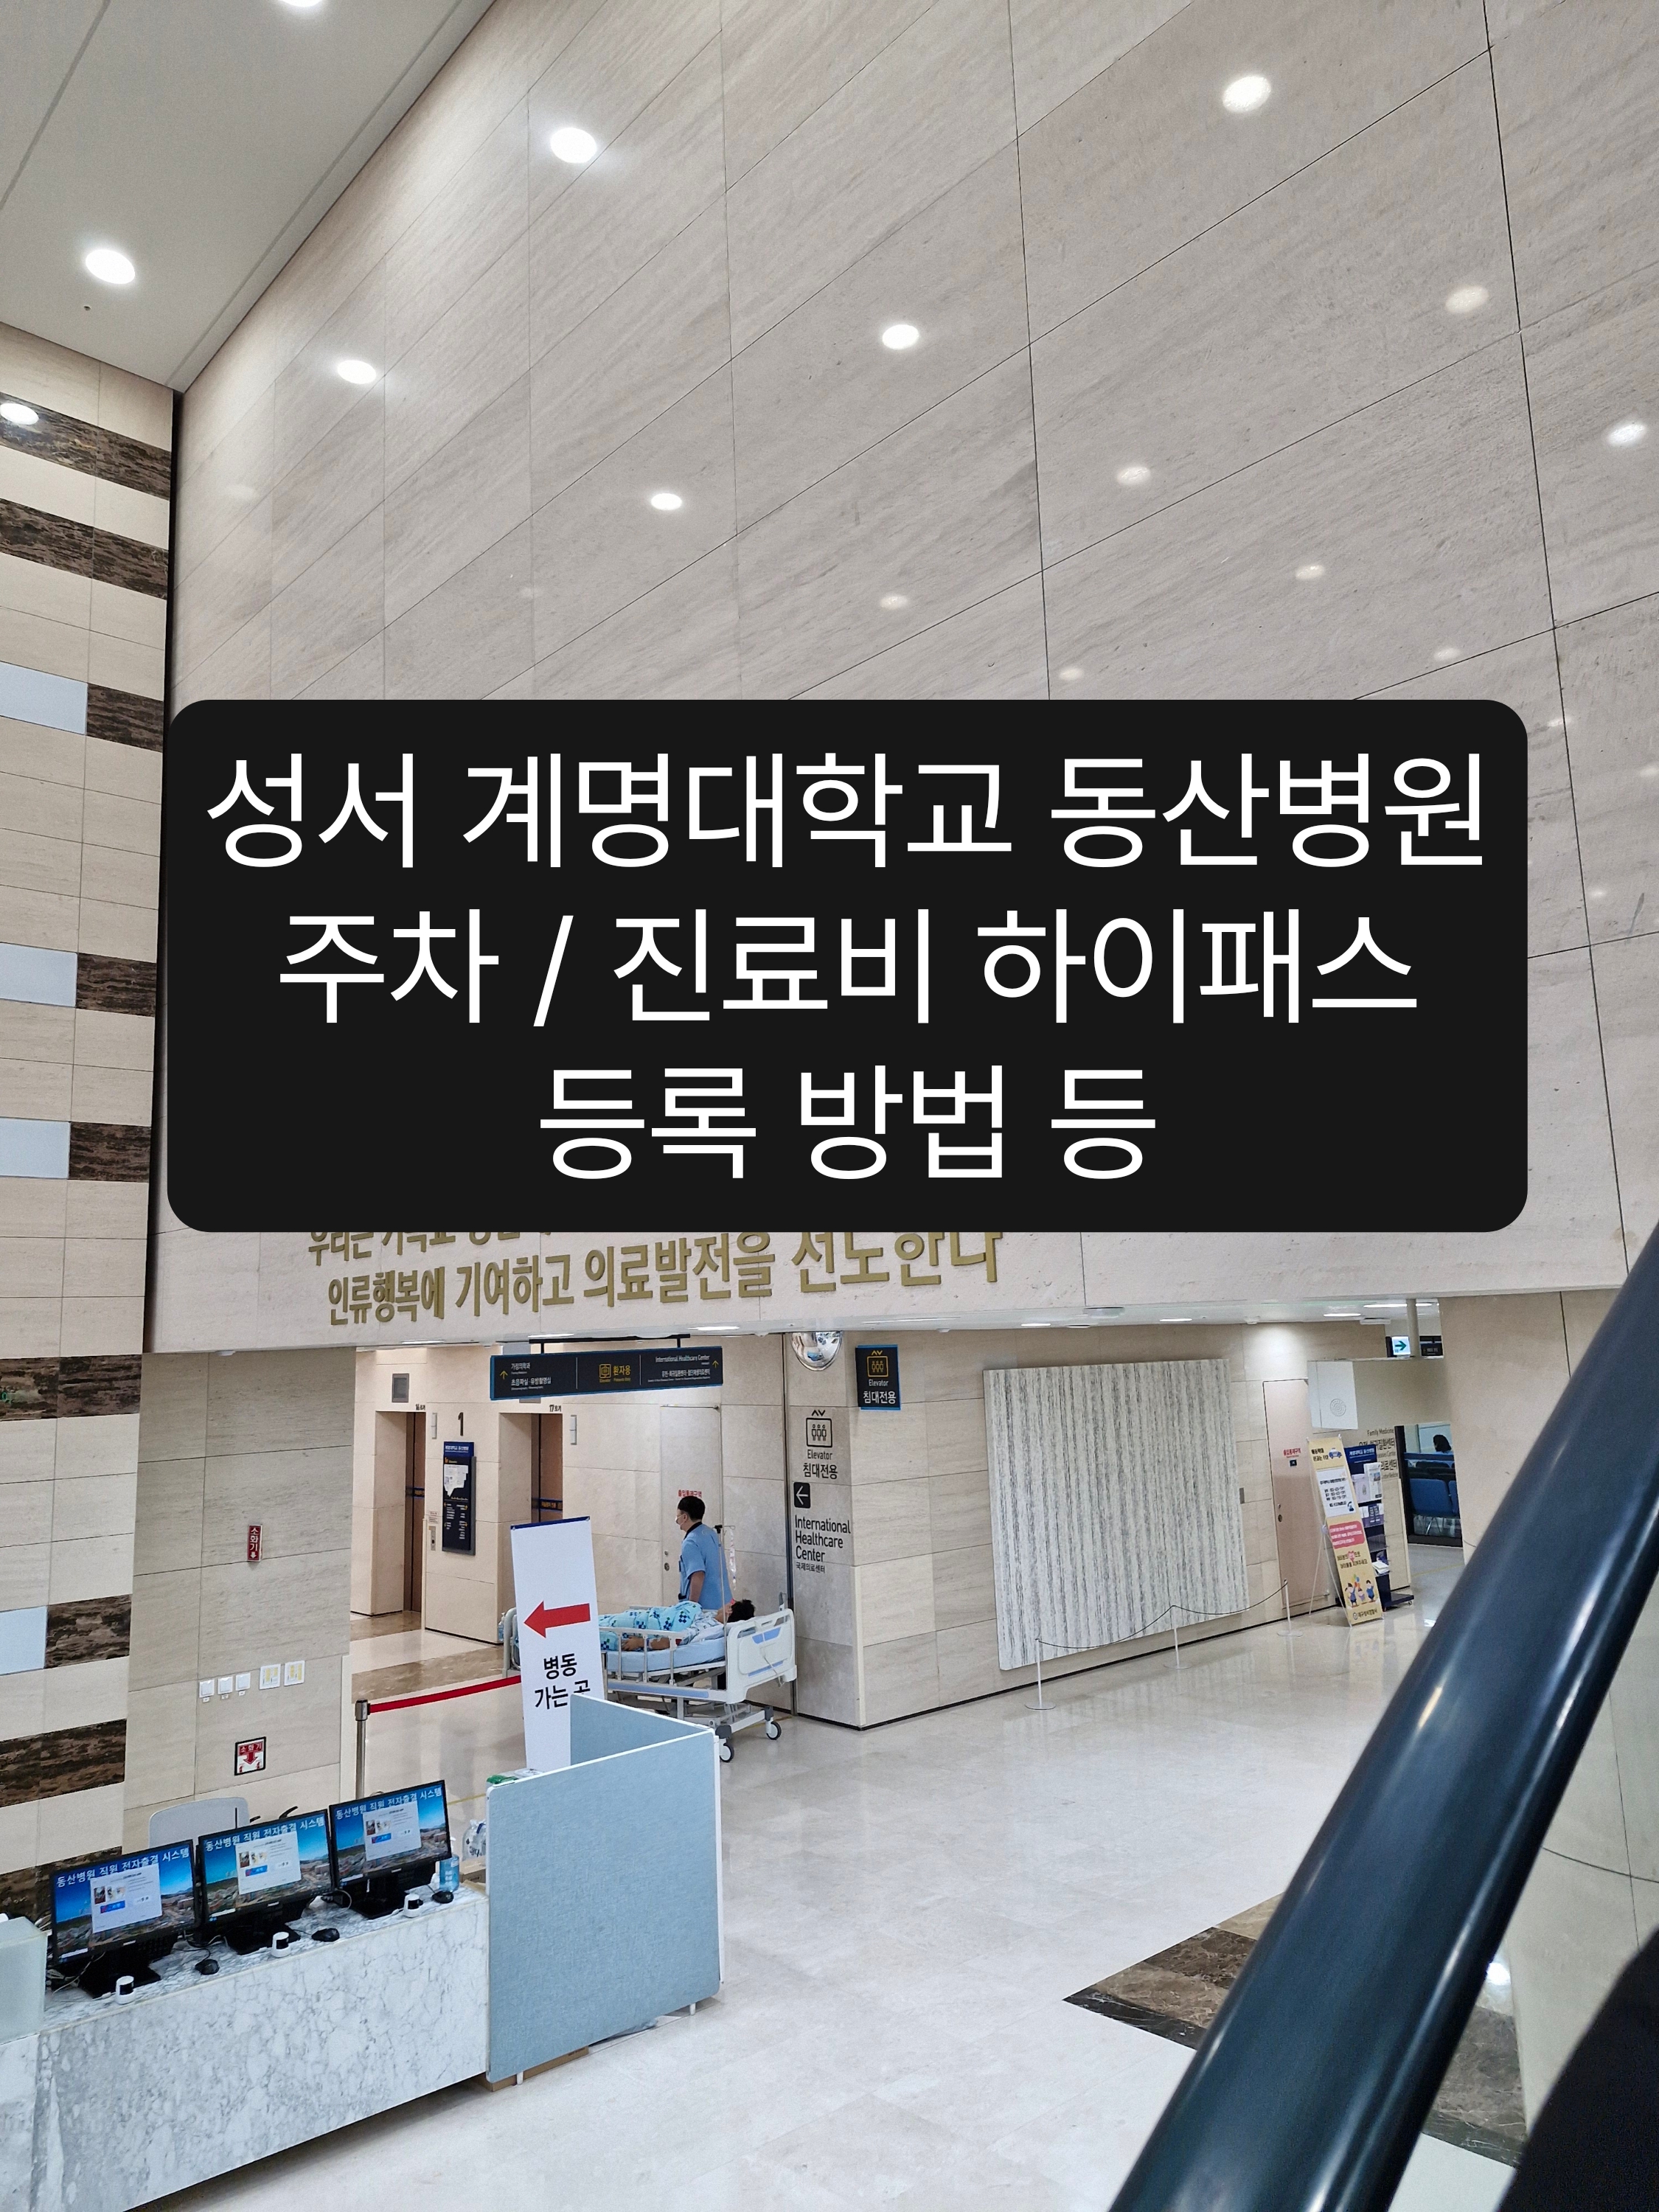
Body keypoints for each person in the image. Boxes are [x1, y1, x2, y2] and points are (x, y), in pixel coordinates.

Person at [675, 1495, 732, 1610]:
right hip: (724, 1602)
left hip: (707, 1608)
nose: (677, 1520)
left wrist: (691, 1608)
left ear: (684, 1517)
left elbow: (698, 1574)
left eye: (678, 1516)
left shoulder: (690, 1542)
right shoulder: (710, 1533)